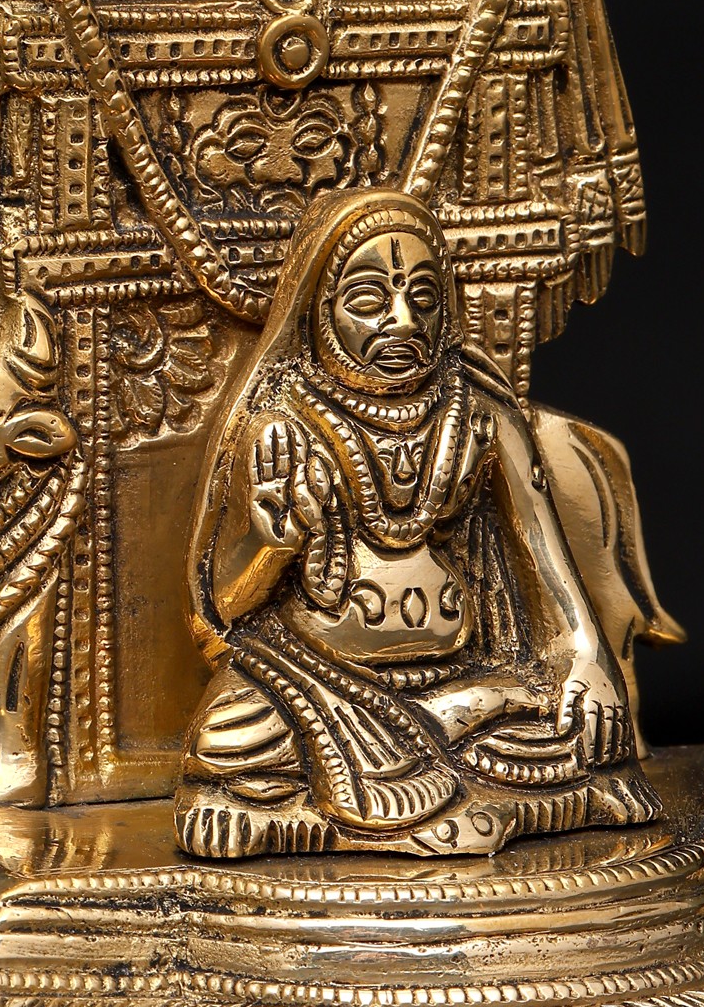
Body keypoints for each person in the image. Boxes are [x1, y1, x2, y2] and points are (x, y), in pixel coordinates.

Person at [175, 189, 659, 858]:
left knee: (576, 724)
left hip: (467, 682)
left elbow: (548, 569)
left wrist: (584, 659)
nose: (403, 321)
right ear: (318, 311)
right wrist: (269, 546)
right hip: (316, 681)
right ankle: (447, 794)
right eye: (368, 300)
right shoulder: (283, 426)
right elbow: (224, 611)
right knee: (230, 734)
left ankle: (337, 813)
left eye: (424, 298)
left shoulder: (480, 417)